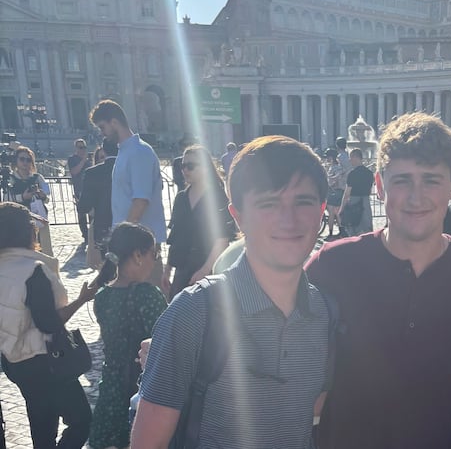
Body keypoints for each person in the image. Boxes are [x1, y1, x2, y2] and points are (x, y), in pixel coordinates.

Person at [132, 136, 332, 448]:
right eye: (268, 203)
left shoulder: (324, 314)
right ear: (237, 215)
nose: (288, 219)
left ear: (321, 211)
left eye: (302, 202)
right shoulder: (193, 313)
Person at [305, 112, 451, 449]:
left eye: (431, 180)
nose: (416, 197)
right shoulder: (331, 265)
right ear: (379, 185)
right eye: (402, 180)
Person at [0, 202, 97, 449]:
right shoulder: (33, 270)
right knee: (81, 421)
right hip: (46, 361)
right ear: (26, 232)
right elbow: (49, 323)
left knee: (42, 427)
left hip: (15, 362)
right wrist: (81, 300)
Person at [89, 223, 167, 449]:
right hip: (143, 387)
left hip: (111, 387)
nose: (155, 261)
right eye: (155, 253)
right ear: (138, 255)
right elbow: (166, 342)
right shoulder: (147, 295)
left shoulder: (102, 295)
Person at [90, 100, 168, 294]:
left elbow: (140, 201)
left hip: (140, 245)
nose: (102, 133)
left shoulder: (139, 152)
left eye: (103, 127)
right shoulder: (126, 152)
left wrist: (121, 240)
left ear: (114, 122)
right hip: (132, 243)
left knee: (149, 303)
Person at [163, 145, 237, 299]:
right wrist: (167, 270)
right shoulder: (181, 198)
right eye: (182, 166)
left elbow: (222, 239)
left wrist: (205, 270)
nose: (185, 170)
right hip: (183, 268)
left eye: (190, 166)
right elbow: (175, 236)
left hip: (209, 267)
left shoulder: (217, 197)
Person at [78, 138, 118, 270]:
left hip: (103, 229)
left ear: (104, 150)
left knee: (106, 272)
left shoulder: (92, 173)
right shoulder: (131, 169)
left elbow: (84, 206)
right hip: (129, 227)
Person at [8, 146, 53, 256]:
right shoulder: (10, 178)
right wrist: (23, 197)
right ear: (16, 160)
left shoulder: (38, 177)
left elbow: (48, 192)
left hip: (38, 216)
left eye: (28, 160)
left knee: (43, 247)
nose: (25, 162)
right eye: (22, 159)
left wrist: (42, 195)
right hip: (18, 218)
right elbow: (6, 199)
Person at [338, 148, 374, 236]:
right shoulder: (369, 173)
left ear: (355, 157)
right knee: (367, 230)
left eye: (351, 157)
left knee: (353, 229)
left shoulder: (352, 174)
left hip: (354, 203)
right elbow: (370, 190)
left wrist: (341, 209)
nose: (349, 160)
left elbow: (347, 194)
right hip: (366, 202)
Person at [67, 138, 92, 243]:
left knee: (92, 213)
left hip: (91, 190)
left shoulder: (89, 160)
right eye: (80, 147)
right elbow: (74, 172)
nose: (83, 150)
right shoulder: (72, 159)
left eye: (84, 147)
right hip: (79, 190)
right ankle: (85, 234)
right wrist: (83, 160)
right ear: (76, 148)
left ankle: (92, 234)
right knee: (81, 213)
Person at [324, 148, 344, 238]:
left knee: (331, 214)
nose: (326, 159)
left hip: (333, 191)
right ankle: (341, 231)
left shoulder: (334, 167)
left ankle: (331, 233)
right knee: (337, 213)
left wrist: (329, 181)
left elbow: (333, 180)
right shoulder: (339, 166)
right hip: (339, 192)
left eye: (327, 157)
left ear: (331, 157)